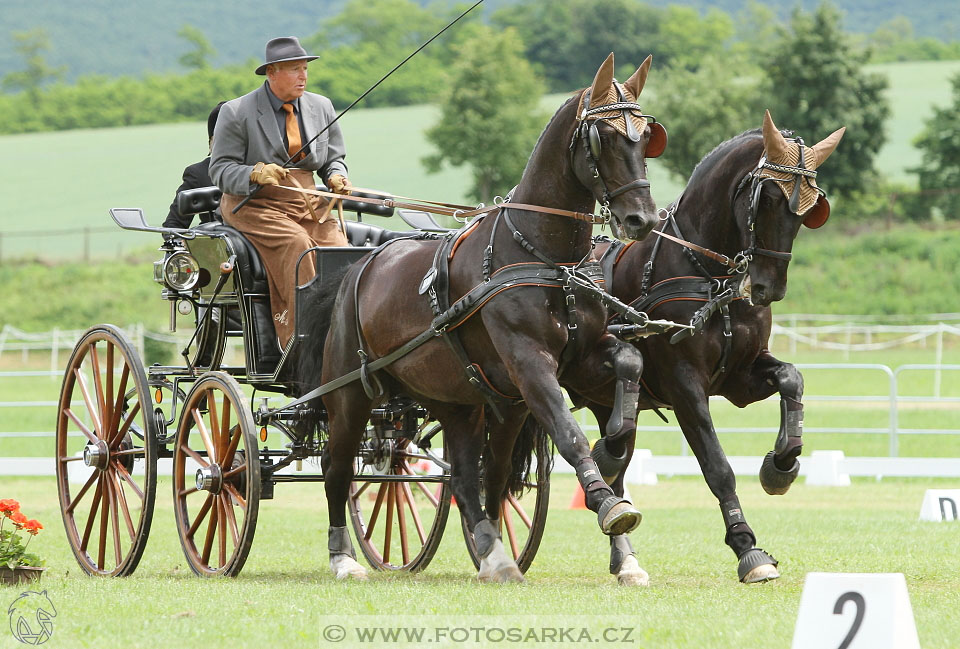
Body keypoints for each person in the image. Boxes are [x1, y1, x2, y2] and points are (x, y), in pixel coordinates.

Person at [210, 36, 352, 349]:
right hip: (254, 205)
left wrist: (337, 176)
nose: (303, 76)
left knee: (341, 250)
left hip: (309, 203)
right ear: (272, 72)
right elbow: (219, 169)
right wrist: (254, 173)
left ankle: (345, 335)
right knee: (298, 245)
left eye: (305, 69)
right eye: (294, 70)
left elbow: (333, 159)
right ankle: (300, 340)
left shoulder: (321, 107)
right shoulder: (236, 112)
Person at [163, 101, 226, 229]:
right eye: (221, 139)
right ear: (210, 143)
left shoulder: (262, 170)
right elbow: (173, 225)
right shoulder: (198, 173)